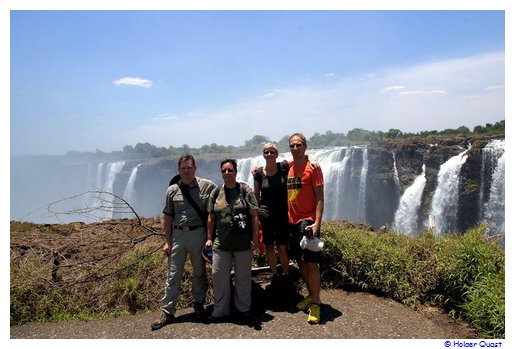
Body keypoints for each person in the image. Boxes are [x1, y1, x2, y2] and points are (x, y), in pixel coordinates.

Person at [151, 154, 217, 331]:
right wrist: (168, 241)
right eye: (183, 168)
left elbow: (222, 197)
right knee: (173, 274)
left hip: (199, 234)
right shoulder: (172, 190)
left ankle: (198, 305)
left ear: (195, 168)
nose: (186, 170)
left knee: (199, 272)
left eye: (189, 167)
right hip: (178, 235)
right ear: (178, 170)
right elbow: (167, 218)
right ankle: (167, 311)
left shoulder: (207, 186)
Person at [205, 159, 259, 321]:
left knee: (243, 278)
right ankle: (221, 309)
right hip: (221, 244)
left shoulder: (245, 191)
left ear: (236, 172)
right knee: (218, 276)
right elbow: (211, 217)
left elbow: (254, 215)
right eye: (224, 171)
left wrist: (255, 238)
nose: (227, 173)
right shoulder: (216, 192)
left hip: (243, 243)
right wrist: (209, 239)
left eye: (230, 170)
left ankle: (243, 308)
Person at [287, 133, 325, 324]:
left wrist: (317, 223)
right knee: (301, 262)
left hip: (308, 222)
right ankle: (311, 296)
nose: (295, 148)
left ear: (305, 146)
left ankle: (316, 304)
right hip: (292, 222)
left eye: (299, 145)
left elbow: (320, 198)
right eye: (292, 145)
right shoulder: (288, 167)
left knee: (311, 263)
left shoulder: (314, 168)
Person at [252, 143, 290, 279]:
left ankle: (285, 274)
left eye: (272, 152)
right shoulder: (258, 174)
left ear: (277, 154)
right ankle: (275, 275)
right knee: (269, 246)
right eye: (266, 152)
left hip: (282, 214)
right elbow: (256, 198)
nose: (269, 155)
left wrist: (312, 161)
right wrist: (256, 219)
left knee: (282, 247)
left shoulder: (284, 167)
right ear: (263, 155)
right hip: (266, 215)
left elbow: (301, 160)